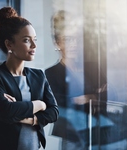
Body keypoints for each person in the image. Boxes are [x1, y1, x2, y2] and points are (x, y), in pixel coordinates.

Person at [0, 7, 59, 150]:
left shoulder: (38, 75)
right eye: (26, 40)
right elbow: (5, 110)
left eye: (34, 40)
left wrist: (28, 118)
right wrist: (40, 104)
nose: (34, 45)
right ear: (9, 44)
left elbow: (53, 112)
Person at [45, 10, 110, 150]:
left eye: (76, 39)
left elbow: (110, 94)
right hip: (72, 135)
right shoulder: (51, 73)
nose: (74, 44)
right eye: (67, 39)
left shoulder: (92, 67)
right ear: (57, 43)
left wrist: (87, 97)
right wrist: (95, 96)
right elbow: (60, 104)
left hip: (98, 130)